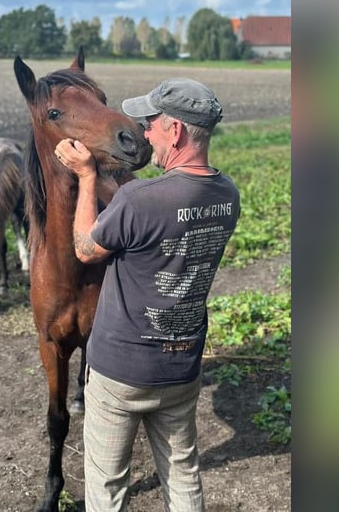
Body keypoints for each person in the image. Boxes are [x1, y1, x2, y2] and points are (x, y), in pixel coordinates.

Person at [54, 78, 240, 511]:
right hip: (182, 365)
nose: (145, 134)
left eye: (151, 124)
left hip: (122, 369)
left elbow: (85, 249)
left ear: (174, 131)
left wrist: (85, 177)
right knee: (182, 473)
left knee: (107, 487)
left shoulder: (140, 198)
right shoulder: (227, 194)